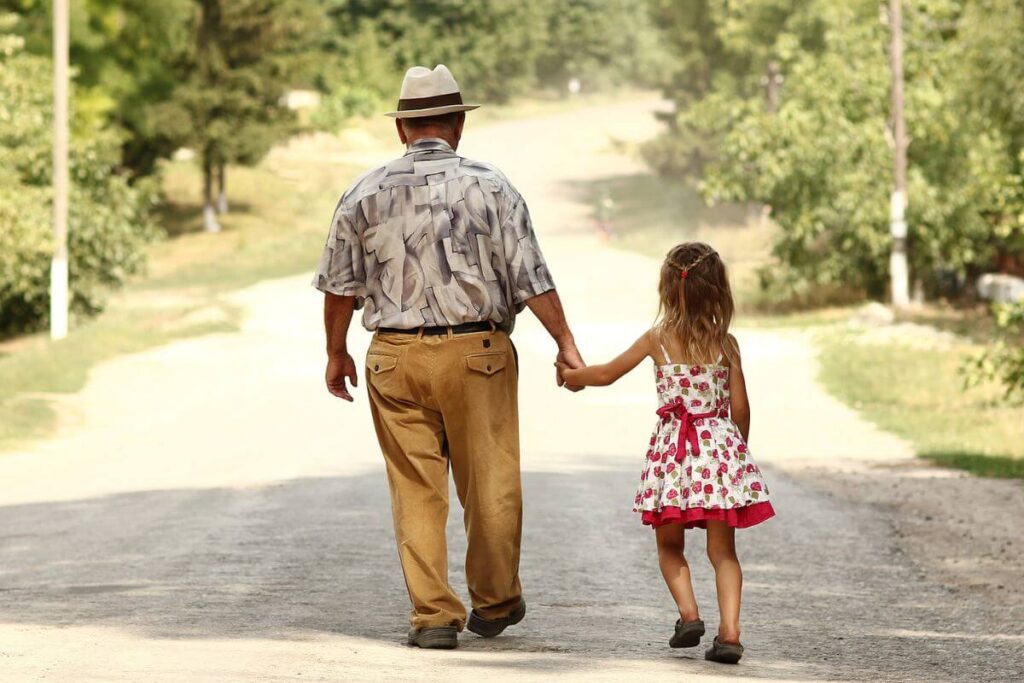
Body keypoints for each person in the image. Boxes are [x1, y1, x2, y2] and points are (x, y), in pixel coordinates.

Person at [312, 64, 585, 650]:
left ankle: (434, 616)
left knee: (416, 488)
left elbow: (339, 287)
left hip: (393, 358)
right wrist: (565, 343)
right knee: (490, 483)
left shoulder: (363, 192)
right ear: (458, 124)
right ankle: (494, 601)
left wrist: (336, 353)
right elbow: (531, 277)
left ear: (403, 129)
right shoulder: (493, 187)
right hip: (478, 354)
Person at [556, 242, 775, 664]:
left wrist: (572, 376)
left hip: (674, 457)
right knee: (723, 553)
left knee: (669, 545)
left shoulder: (658, 339)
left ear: (666, 288)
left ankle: (689, 615)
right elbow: (742, 409)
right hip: (718, 453)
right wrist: (734, 453)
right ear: (716, 291)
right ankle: (730, 633)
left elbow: (605, 374)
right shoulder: (726, 344)